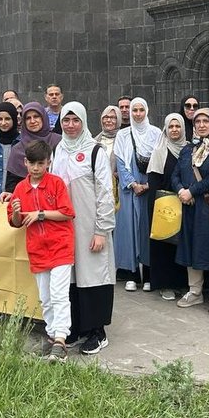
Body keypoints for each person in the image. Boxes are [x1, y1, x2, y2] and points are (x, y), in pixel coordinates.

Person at [51, 102, 116, 354]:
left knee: (94, 274)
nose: (70, 125)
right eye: (66, 120)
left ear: (83, 121)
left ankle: (97, 331)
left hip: (90, 225)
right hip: (65, 227)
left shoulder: (94, 151)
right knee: (71, 276)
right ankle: (76, 326)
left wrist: (101, 229)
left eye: (75, 120)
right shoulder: (58, 150)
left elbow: (105, 193)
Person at [7, 138, 76, 362]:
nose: (36, 168)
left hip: (60, 247)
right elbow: (15, 222)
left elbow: (67, 212)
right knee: (45, 298)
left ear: (48, 162)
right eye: (32, 163)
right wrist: (17, 212)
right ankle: (52, 335)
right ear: (25, 163)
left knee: (58, 295)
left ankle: (61, 340)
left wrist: (41, 214)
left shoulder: (56, 183)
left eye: (41, 164)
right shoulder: (20, 188)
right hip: (37, 249)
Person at [172, 107, 209, 316]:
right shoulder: (187, 149)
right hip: (190, 208)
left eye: (206, 121)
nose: (201, 125)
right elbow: (176, 174)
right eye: (198, 122)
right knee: (192, 248)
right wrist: (180, 190)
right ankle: (195, 292)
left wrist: (191, 191)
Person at [113, 97, 162, 290]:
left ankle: (149, 275)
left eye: (141, 110)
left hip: (149, 189)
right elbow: (120, 161)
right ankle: (132, 274)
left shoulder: (156, 133)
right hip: (129, 191)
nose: (138, 114)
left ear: (147, 111)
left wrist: (148, 185)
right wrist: (133, 184)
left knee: (148, 230)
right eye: (135, 110)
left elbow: (160, 161)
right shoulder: (123, 135)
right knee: (129, 231)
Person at [146, 113, 188, 300]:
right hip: (163, 204)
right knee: (164, 243)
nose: (174, 130)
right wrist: (159, 206)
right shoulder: (160, 151)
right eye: (170, 127)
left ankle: (181, 282)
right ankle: (165, 283)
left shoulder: (189, 149)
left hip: (185, 202)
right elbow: (154, 180)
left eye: (177, 126)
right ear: (165, 129)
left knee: (182, 244)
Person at [5, 102, 59, 193]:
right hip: (26, 201)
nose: (32, 121)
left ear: (43, 117)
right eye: (28, 118)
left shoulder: (58, 142)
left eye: (36, 116)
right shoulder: (17, 149)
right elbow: (12, 185)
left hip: (54, 199)